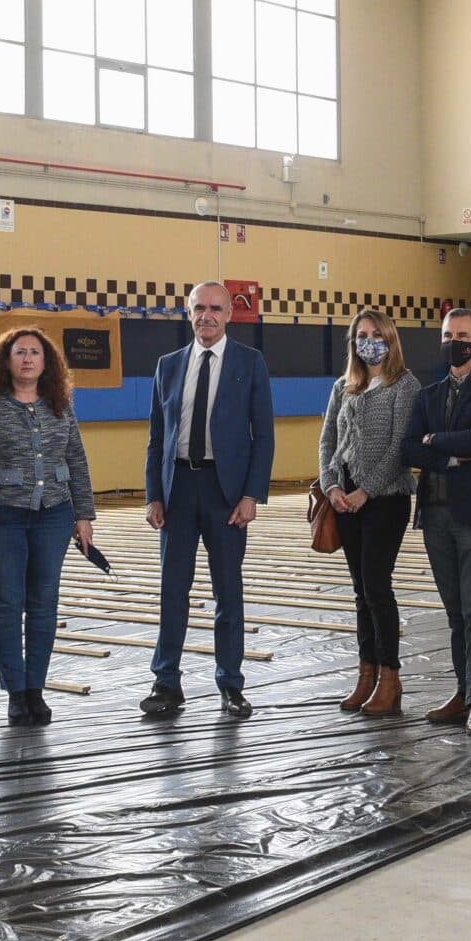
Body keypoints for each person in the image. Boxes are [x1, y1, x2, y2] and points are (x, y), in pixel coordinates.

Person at [142, 281, 274, 719]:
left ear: (229, 315)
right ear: (188, 312)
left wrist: (253, 493)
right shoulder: (167, 365)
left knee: (227, 593)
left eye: (215, 309)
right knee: (172, 592)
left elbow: (264, 436)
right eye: (199, 308)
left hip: (226, 494)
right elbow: (156, 437)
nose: (207, 316)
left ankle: (231, 685)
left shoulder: (250, 363)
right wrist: (153, 495)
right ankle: (166, 683)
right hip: (178, 489)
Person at [0, 326, 96, 726]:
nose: (26, 359)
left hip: (53, 515)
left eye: (34, 353)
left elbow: (78, 463)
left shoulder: (61, 407)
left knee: (43, 603)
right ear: (5, 361)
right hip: (1, 517)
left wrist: (83, 516)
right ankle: (15, 691)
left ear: (46, 362)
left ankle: (36, 688)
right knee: (6, 602)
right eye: (19, 352)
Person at [402, 307, 471, 738]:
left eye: (463, 334)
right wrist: (449, 453)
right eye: (448, 334)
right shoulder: (427, 394)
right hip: (435, 514)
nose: (455, 341)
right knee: (455, 615)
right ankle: (463, 692)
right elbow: (410, 449)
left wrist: (435, 441)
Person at [314, 310, 421, 718]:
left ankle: (390, 678)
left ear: (390, 340)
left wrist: (366, 491)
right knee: (360, 593)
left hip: (385, 500)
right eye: (362, 335)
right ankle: (366, 673)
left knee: (377, 587)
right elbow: (328, 441)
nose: (369, 341)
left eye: (377, 334)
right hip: (344, 503)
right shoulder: (344, 386)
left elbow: (400, 448)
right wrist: (333, 487)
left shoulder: (404, 385)